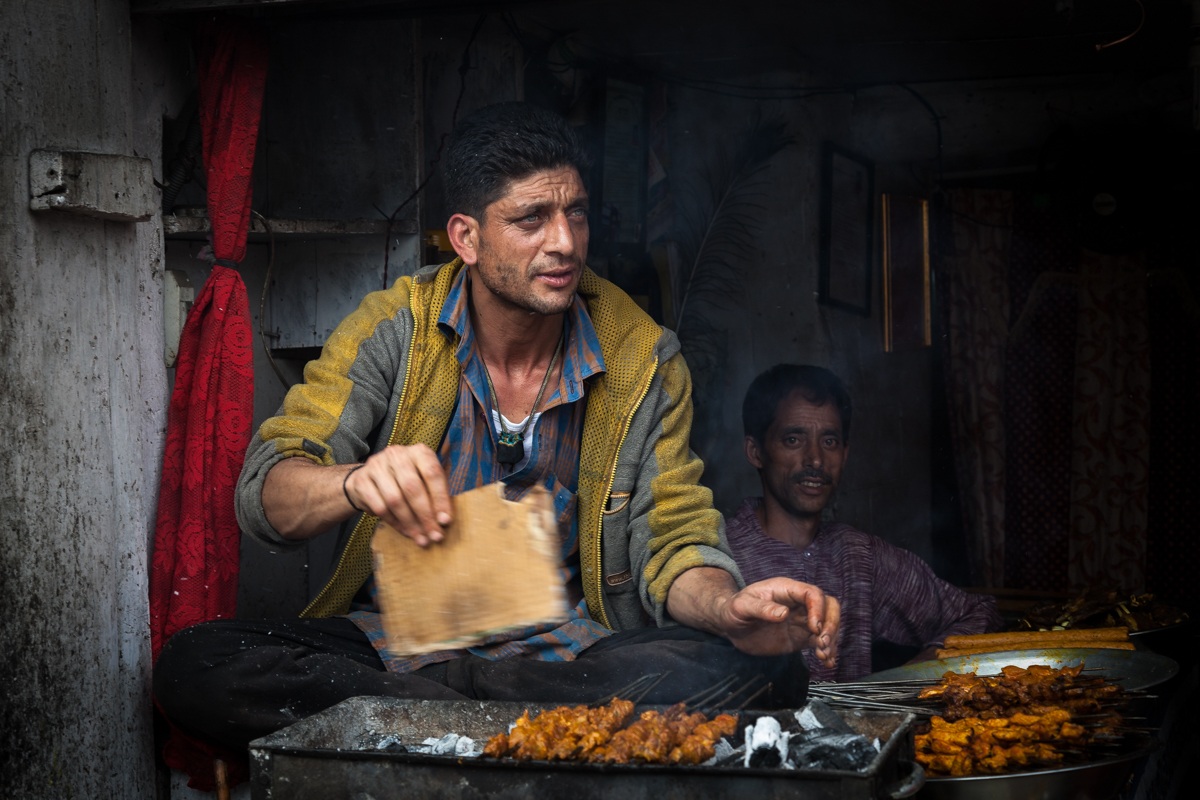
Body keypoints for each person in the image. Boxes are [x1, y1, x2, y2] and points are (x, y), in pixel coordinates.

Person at [153, 102, 839, 752]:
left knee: (770, 673)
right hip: (396, 649)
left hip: (566, 663)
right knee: (195, 663)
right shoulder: (397, 329)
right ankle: (494, 721)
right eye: (531, 218)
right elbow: (267, 493)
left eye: (575, 213)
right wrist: (355, 482)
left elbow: (673, 535)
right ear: (467, 238)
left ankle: (444, 718)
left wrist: (729, 608)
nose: (564, 242)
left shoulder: (641, 357)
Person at [725, 363, 1001, 682]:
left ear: (845, 454)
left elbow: (979, 613)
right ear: (755, 452)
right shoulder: (719, 559)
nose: (815, 459)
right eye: (793, 439)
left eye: (829, 441)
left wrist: (916, 672)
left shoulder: (859, 557)